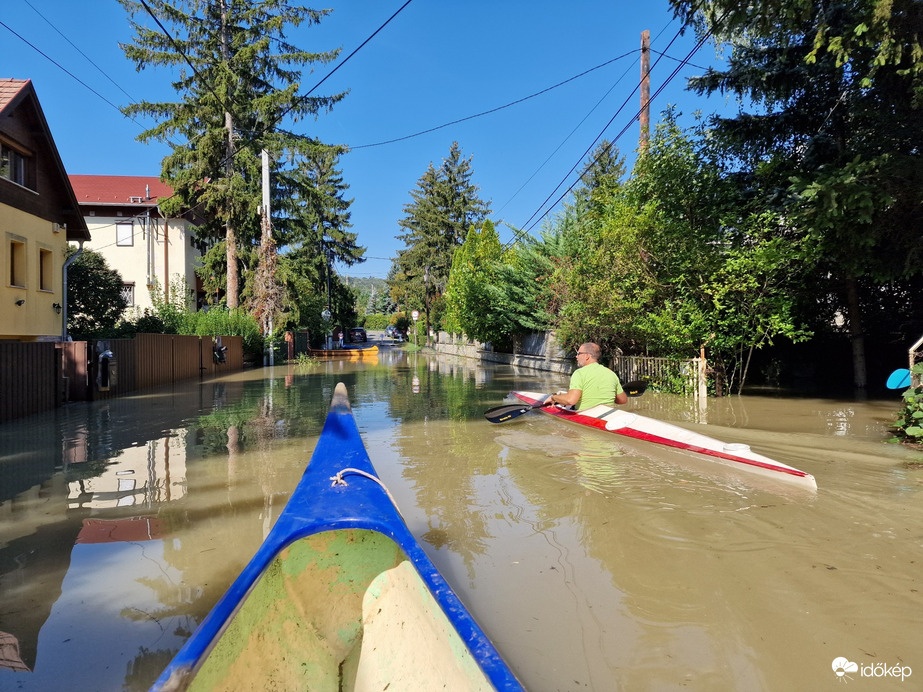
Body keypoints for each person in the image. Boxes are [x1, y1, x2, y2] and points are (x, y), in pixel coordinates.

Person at [544, 342, 628, 410]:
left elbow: (570, 400)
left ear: (587, 356)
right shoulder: (611, 374)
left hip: (587, 417)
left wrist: (553, 398)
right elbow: (623, 400)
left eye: (578, 353)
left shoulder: (579, 373)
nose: (576, 356)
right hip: (607, 416)